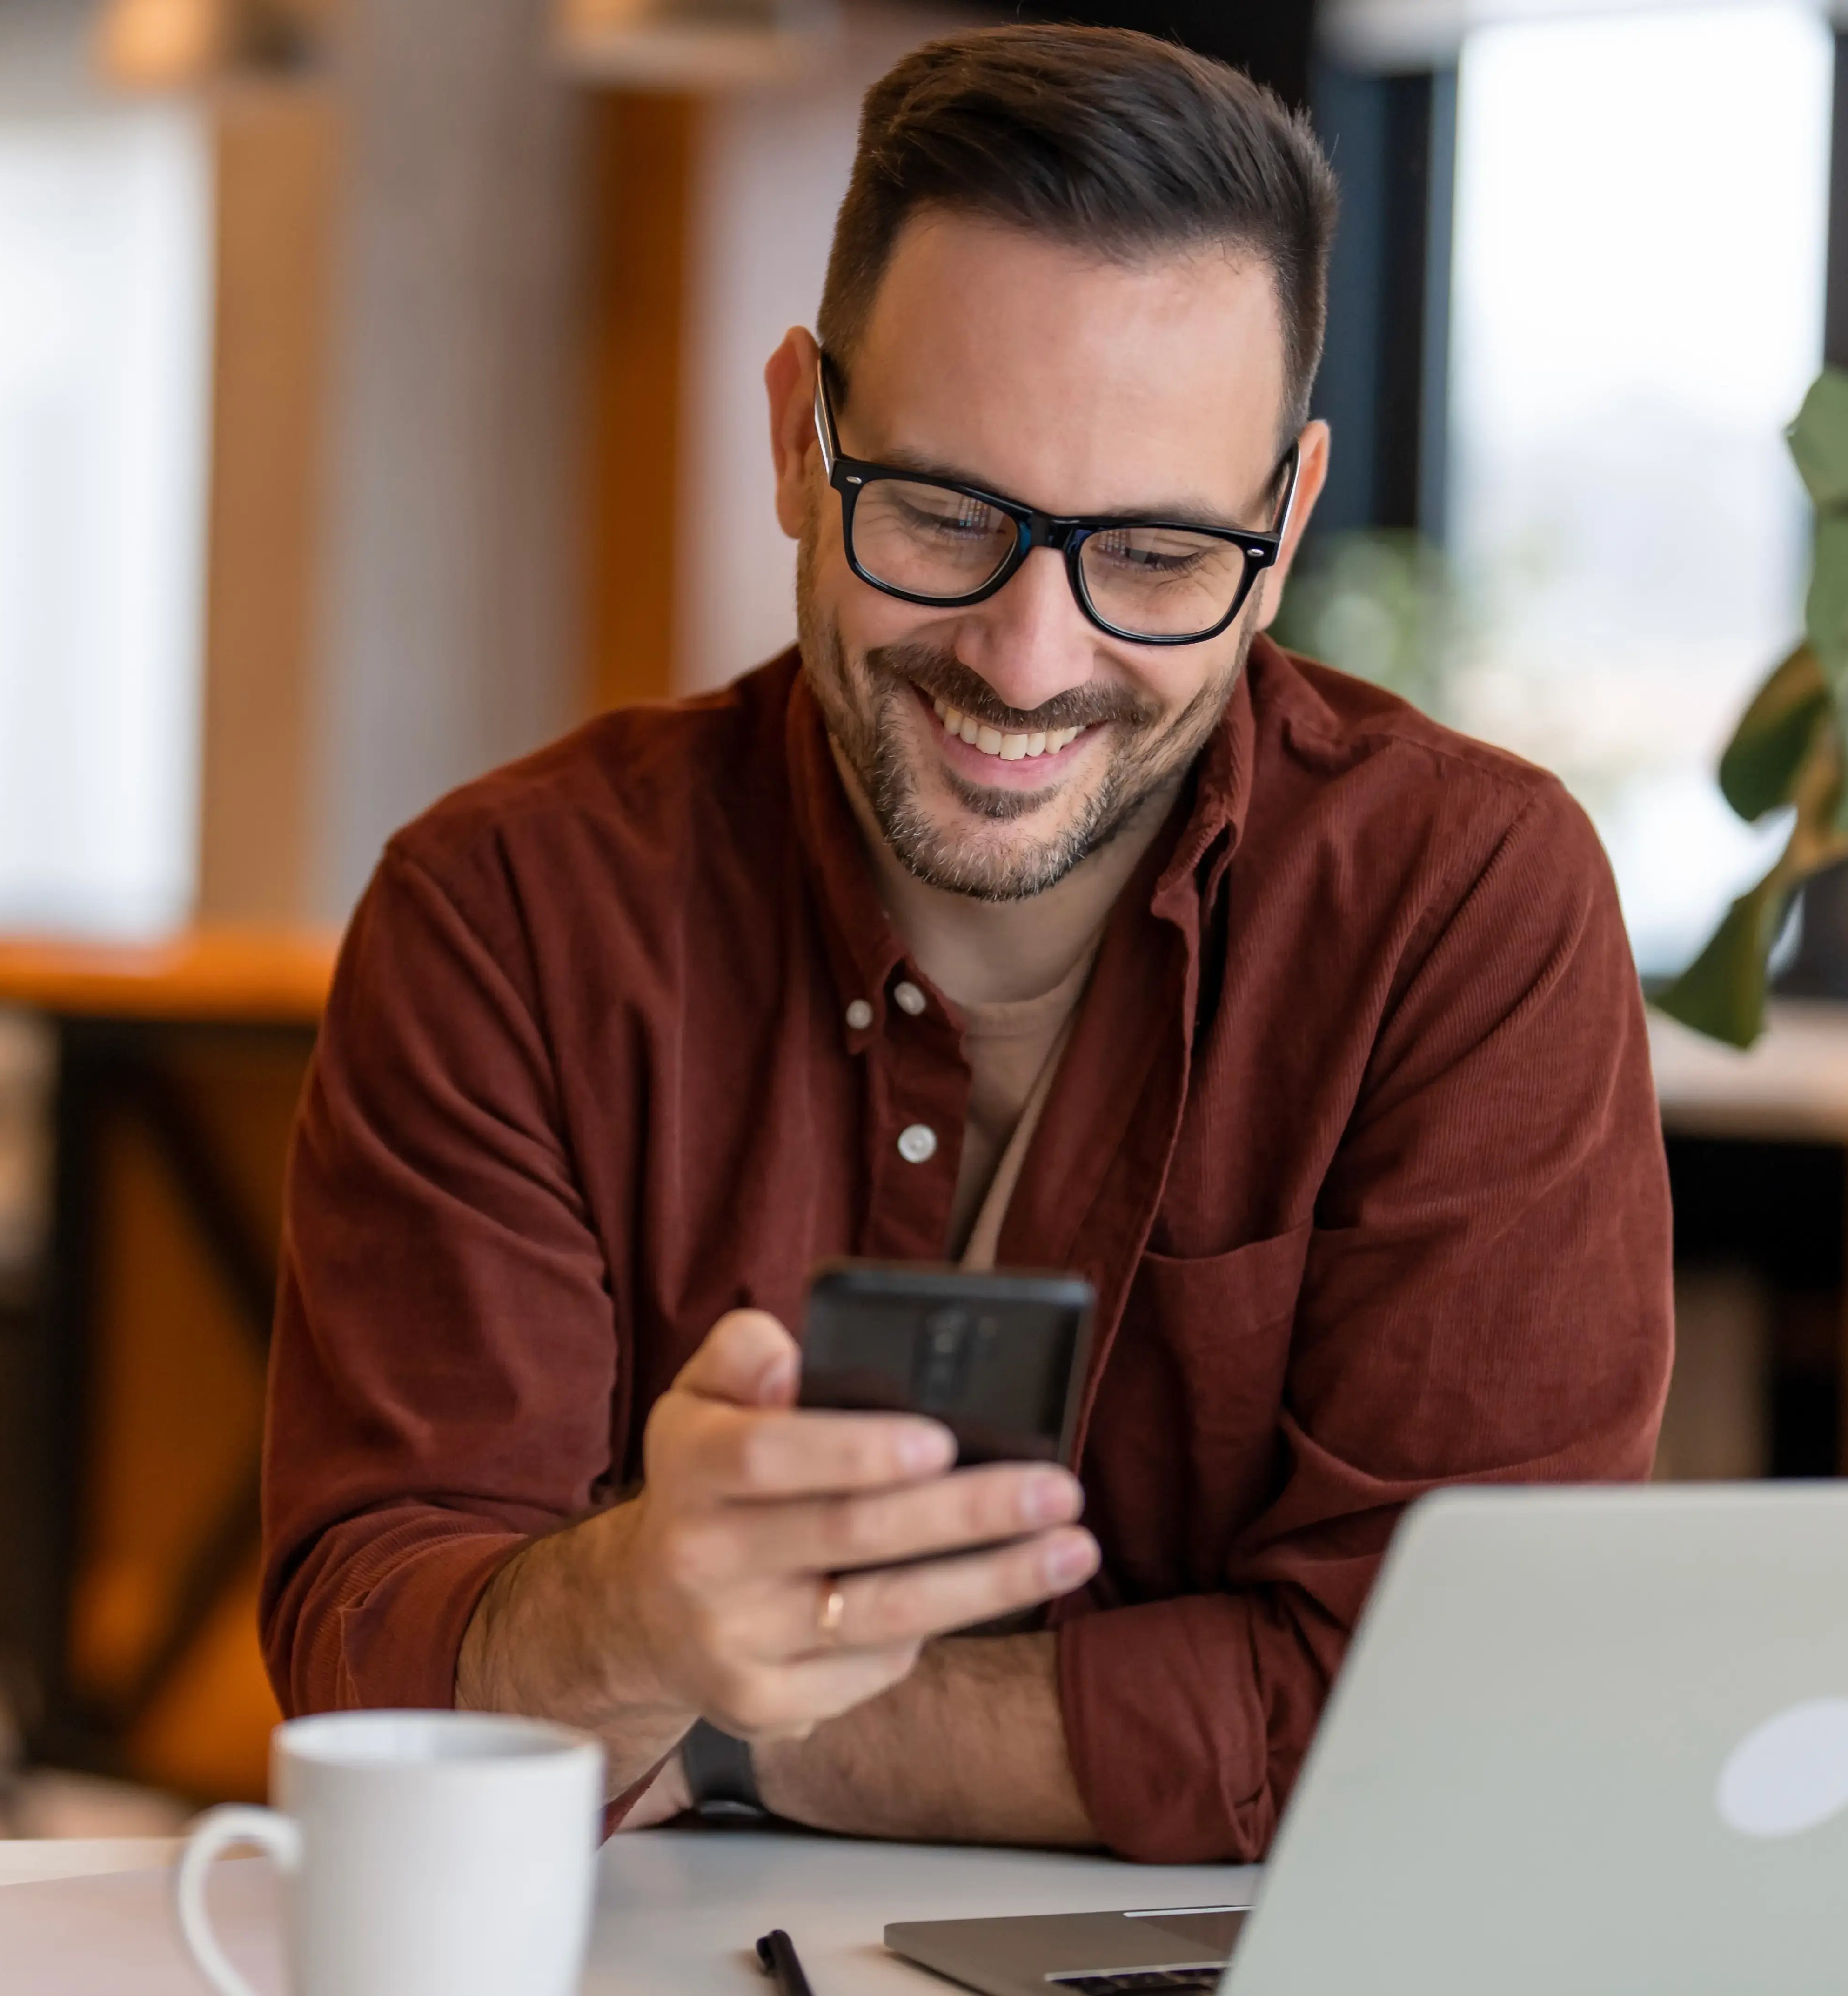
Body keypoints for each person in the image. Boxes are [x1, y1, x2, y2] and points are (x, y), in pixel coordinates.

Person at [259, 23, 1671, 1865]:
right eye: (942, 513)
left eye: (1157, 557)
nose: (1027, 656)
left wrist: (738, 1719)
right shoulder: (511, 915)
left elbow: (1462, 1716)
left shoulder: (1464, 908)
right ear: (796, 438)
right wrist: (625, 1610)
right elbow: (374, 1655)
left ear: (1286, 518)